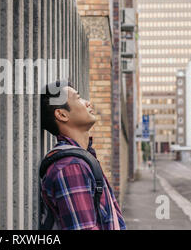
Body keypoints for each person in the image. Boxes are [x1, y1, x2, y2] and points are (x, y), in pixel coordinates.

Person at [40, 80, 126, 230]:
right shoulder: (70, 167)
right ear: (62, 114)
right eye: (78, 98)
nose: (87, 103)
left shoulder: (82, 159)